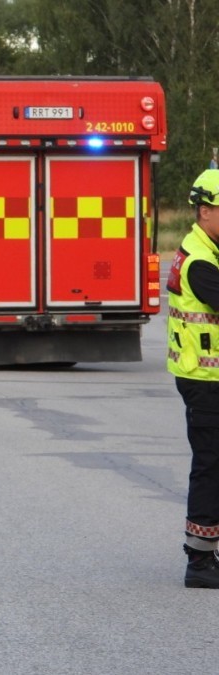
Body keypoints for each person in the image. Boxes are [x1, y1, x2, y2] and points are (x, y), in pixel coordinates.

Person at [166, 168, 219, 589]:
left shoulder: (207, 248)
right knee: (210, 465)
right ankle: (199, 563)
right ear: (205, 212)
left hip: (207, 376)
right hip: (204, 380)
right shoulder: (200, 261)